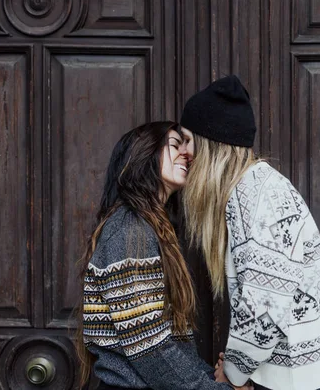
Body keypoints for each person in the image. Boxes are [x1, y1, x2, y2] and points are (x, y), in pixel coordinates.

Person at [180, 76, 320, 390]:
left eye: (188, 140)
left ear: (208, 143)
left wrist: (232, 375)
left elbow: (264, 314)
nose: (185, 153)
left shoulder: (259, 196)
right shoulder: (249, 191)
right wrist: (239, 369)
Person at [76, 121, 252, 390]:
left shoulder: (151, 228)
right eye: (174, 145)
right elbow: (150, 349)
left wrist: (213, 378)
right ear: (144, 154)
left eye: (186, 145)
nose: (187, 153)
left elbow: (173, 345)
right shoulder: (130, 230)